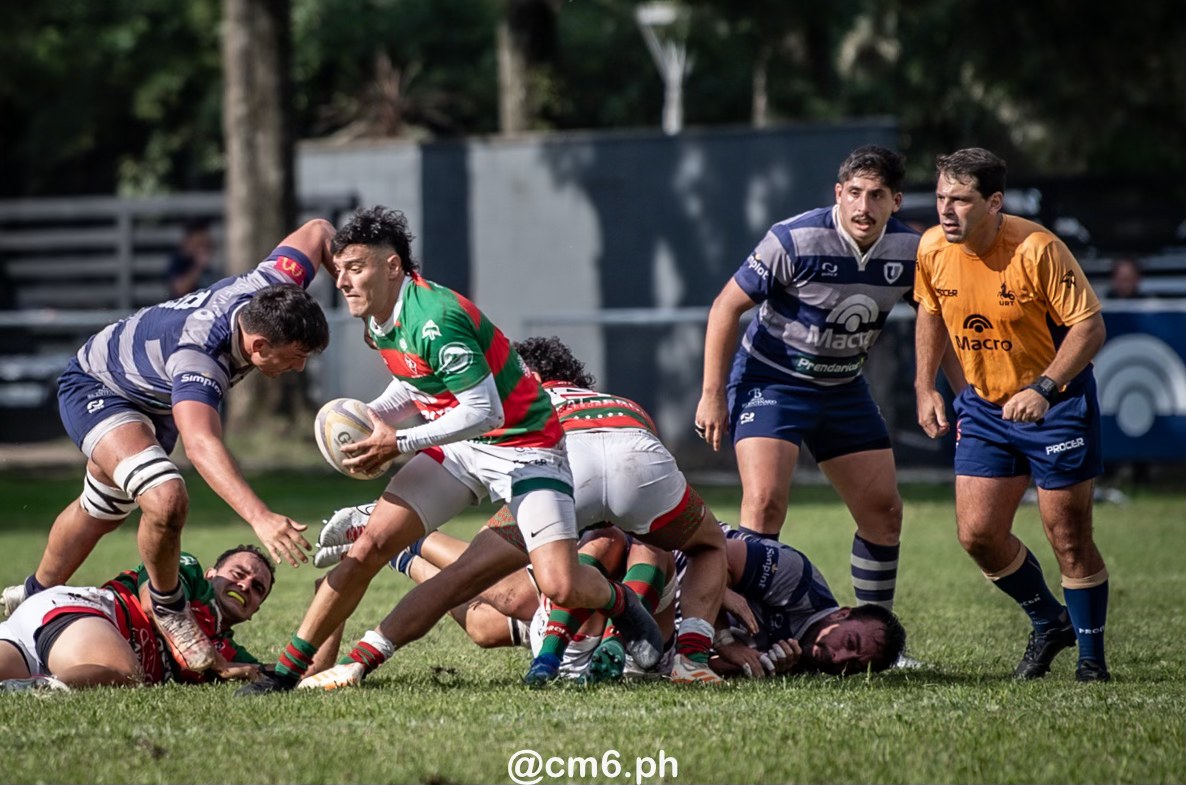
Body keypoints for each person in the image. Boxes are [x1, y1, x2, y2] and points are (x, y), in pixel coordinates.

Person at [236, 207, 662, 696]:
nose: (343, 282)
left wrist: (397, 440)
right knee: (369, 546)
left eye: (356, 268)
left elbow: (486, 412)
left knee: (561, 585)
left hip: (525, 449)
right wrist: (377, 416)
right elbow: (414, 380)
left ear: (392, 267)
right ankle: (284, 673)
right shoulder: (378, 321)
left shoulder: (436, 316)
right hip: (462, 447)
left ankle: (622, 603)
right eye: (341, 269)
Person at [295, 334, 729, 690]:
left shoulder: (518, 405)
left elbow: (456, 465)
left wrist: (398, 465)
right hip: (634, 450)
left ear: (530, 376)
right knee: (709, 545)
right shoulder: (617, 399)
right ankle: (691, 663)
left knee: (466, 583)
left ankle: (358, 662)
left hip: (561, 464)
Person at [0, 218, 334, 676]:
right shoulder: (201, 356)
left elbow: (318, 231)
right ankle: (169, 606)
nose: (298, 369)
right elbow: (200, 444)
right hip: (98, 385)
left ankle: (35, 593)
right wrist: (261, 517)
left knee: (103, 508)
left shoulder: (272, 289)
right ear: (257, 345)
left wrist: (367, 302)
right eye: (295, 356)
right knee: (165, 494)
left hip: (150, 396)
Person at [696, 145, 946, 614]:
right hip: (770, 382)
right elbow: (725, 307)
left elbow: (936, 318)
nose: (863, 207)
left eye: (876, 196)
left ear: (895, 201)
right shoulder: (794, 239)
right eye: (854, 193)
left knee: (884, 512)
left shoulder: (913, 251)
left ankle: (875, 632)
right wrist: (711, 394)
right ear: (838, 193)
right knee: (766, 503)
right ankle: (757, 632)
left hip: (843, 388)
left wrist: (936, 387)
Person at [914, 147, 1111, 683]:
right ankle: (1049, 620)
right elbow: (930, 311)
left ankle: (1092, 663)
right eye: (940, 198)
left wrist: (1045, 387)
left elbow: (1090, 328)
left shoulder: (1036, 248)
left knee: (1067, 535)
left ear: (994, 202)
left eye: (960, 200)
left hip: (1056, 404)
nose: (946, 211)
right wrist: (925, 387)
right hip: (984, 405)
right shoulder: (933, 248)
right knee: (978, 534)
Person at [0, 545, 273, 691]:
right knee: (127, 676)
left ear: (255, 611)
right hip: (76, 613)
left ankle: (21, 686)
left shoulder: (231, 651)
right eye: (238, 574)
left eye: (258, 588)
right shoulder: (187, 571)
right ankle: (30, 690)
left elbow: (287, 675)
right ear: (211, 574)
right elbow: (154, 602)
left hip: (50, 643)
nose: (246, 585)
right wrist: (216, 663)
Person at [166, 218, 218, 298]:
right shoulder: (179, 261)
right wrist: (199, 266)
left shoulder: (210, 264)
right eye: (199, 244)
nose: (203, 249)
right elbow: (180, 289)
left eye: (206, 244)